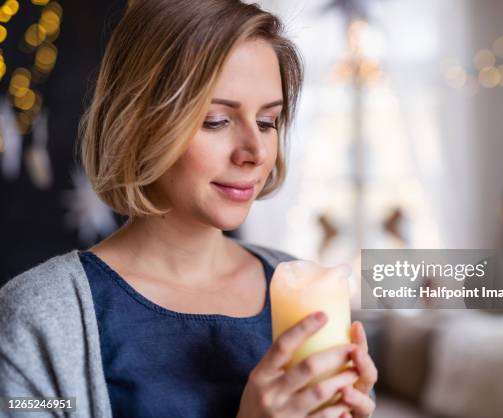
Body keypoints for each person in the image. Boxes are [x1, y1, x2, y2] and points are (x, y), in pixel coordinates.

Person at [0, 1, 377, 417]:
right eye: (216, 120)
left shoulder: (301, 286)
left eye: (268, 122)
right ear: (138, 122)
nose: (255, 152)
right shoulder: (37, 314)